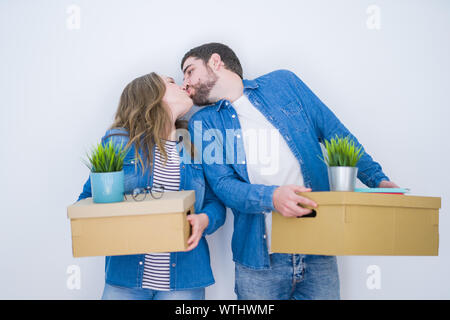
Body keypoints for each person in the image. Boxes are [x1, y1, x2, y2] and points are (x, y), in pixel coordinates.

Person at [181, 42, 399, 300]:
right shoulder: (202, 122)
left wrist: (378, 179)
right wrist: (271, 197)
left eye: (189, 71)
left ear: (215, 62)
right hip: (259, 261)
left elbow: (334, 133)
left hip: (318, 248)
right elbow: (224, 185)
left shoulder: (283, 83)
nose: (185, 82)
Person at [77, 72, 226, 300]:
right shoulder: (118, 141)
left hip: (184, 279)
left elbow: (216, 203)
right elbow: (89, 198)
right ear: (151, 95)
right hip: (126, 278)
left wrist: (204, 220)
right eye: (171, 82)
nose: (181, 85)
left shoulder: (196, 144)